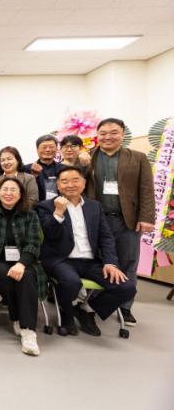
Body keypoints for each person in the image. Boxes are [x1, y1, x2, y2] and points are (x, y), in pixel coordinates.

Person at [38, 165, 137, 336]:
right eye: (65, 181)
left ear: (84, 183)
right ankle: (67, 311)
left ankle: (87, 309)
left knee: (126, 287)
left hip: (91, 261)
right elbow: (49, 234)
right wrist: (59, 212)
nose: (70, 185)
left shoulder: (94, 206)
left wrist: (110, 263)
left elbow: (106, 237)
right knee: (71, 282)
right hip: (61, 259)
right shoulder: (46, 206)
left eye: (75, 180)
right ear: (58, 185)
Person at [86, 118, 154, 325]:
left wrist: (146, 217)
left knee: (128, 263)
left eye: (114, 132)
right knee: (97, 262)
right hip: (97, 220)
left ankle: (125, 308)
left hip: (127, 221)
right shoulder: (88, 158)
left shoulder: (138, 158)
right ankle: (93, 303)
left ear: (123, 134)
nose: (108, 137)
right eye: (103, 133)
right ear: (97, 135)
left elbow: (146, 189)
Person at [0, 178, 44, 356]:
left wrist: (21, 264)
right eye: (5, 189)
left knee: (26, 276)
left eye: (13, 190)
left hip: (24, 260)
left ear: (20, 194)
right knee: (3, 273)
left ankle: (28, 331)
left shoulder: (30, 214)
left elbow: (33, 243)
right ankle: (17, 317)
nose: (8, 193)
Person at [24, 134, 65, 201]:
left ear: (57, 149)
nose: (48, 150)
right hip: (35, 205)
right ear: (37, 149)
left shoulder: (64, 169)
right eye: (44, 147)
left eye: (51, 147)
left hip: (60, 204)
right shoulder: (26, 169)